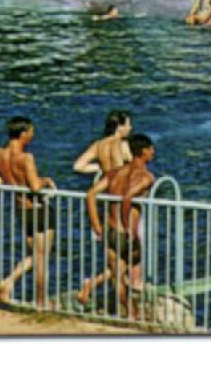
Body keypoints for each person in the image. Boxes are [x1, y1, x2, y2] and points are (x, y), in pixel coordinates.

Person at [78, 133, 157, 319]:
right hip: (127, 233)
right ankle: (135, 314)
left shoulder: (114, 173)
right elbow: (127, 198)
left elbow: (90, 194)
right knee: (132, 270)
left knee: (117, 276)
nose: (153, 153)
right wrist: (129, 228)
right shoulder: (146, 176)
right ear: (144, 152)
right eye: (151, 149)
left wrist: (96, 224)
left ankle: (129, 311)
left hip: (110, 231)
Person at [0, 117, 57, 308]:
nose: (33, 136)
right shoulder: (26, 158)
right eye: (31, 132)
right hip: (38, 209)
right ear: (23, 134)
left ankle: (8, 282)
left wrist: (3, 181)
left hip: (21, 210)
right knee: (41, 259)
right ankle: (41, 302)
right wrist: (46, 181)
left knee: (35, 255)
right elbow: (34, 186)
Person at [74, 110, 133, 181]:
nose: (130, 128)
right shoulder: (123, 144)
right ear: (119, 127)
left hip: (105, 185)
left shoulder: (98, 145)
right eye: (128, 125)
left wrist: (101, 167)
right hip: (120, 185)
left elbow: (78, 167)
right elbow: (134, 168)